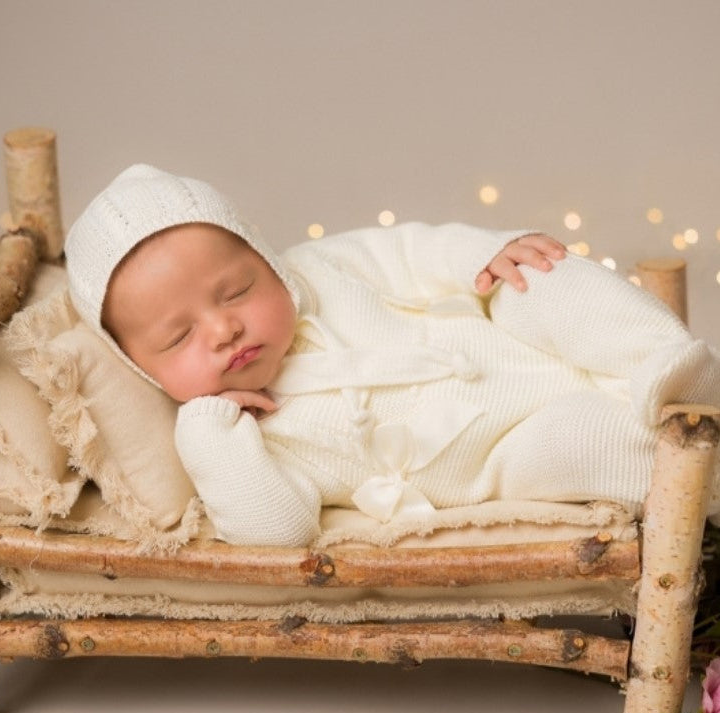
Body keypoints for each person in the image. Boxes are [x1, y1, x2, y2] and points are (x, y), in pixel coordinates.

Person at [65, 164, 720, 546]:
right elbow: (277, 529)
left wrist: (477, 254)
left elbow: (408, 250)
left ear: (267, 262)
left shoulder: (321, 268)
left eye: (236, 290)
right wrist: (211, 434)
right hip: (499, 454)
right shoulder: (246, 435)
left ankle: (668, 367)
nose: (222, 329)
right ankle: (701, 467)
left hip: (507, 337)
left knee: (535, 281)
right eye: (178, 338)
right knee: (578, 445)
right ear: (140, 370)